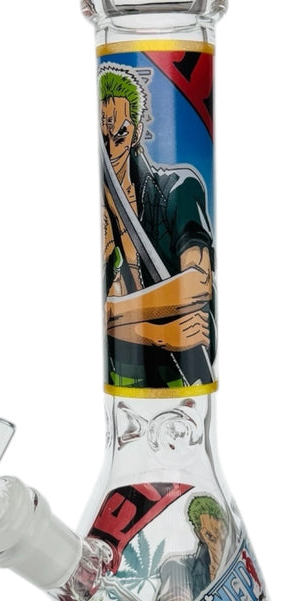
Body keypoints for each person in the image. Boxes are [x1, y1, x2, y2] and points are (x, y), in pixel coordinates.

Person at [99, 63, 216, 389]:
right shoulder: (100, 214)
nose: (111, 150)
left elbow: (197, 282)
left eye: (120, 135)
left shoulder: (177, 188)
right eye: (104, 136)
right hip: (123, 374)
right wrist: (159, 334)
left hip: (186, 374)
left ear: (136, 132)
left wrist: (112, 312)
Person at [156, 495, 229, 601]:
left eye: (222, 531)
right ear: (200, 535)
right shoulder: (178, 567)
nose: (220, 542)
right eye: (210, 535)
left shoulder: (237, 564)